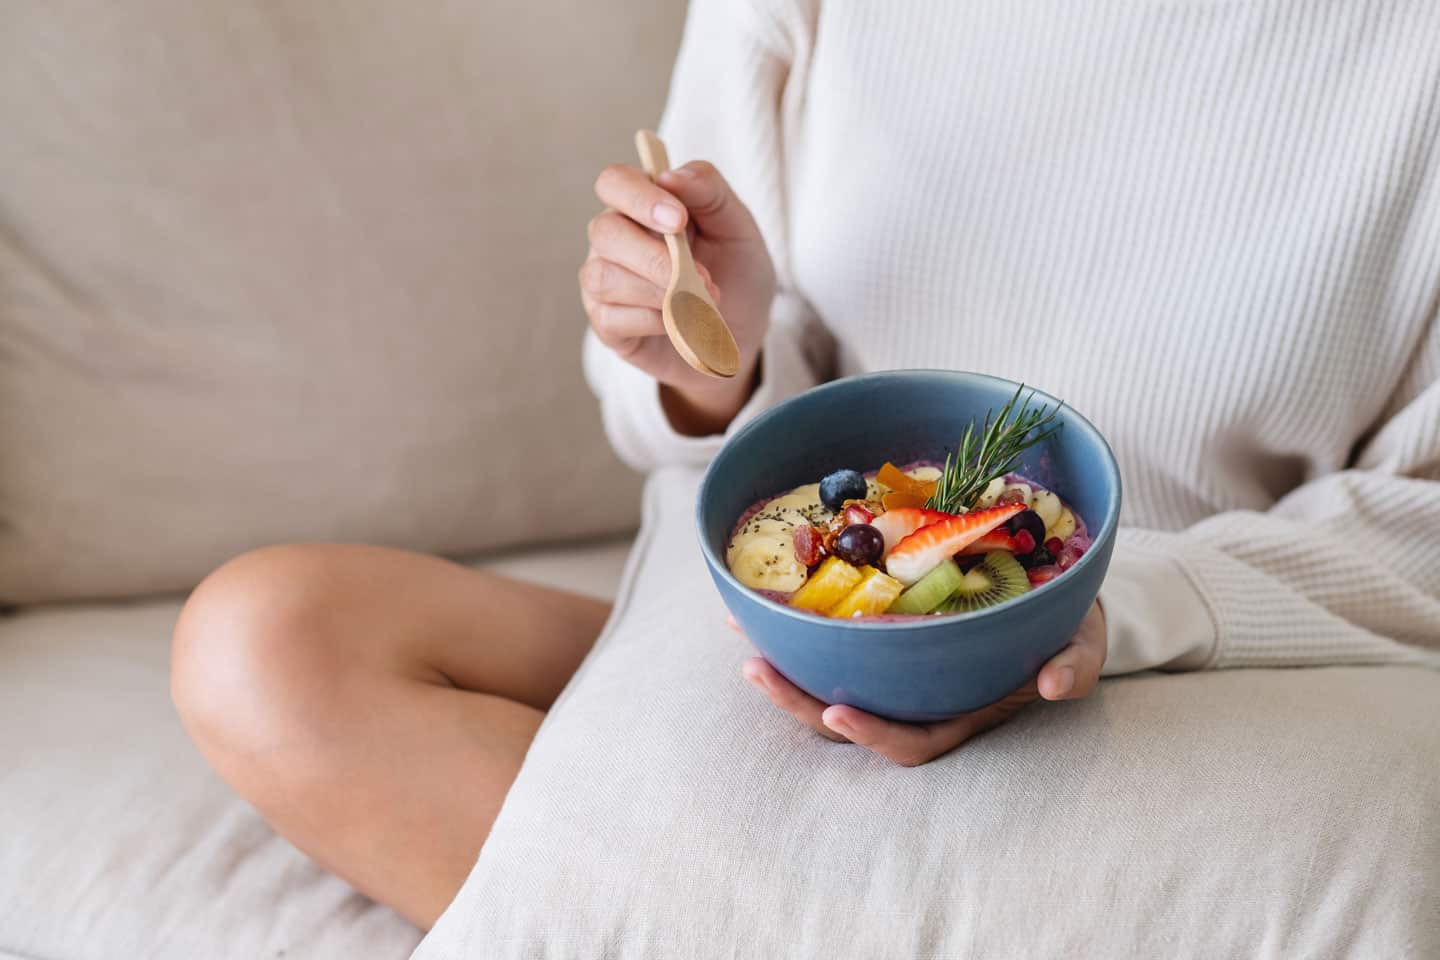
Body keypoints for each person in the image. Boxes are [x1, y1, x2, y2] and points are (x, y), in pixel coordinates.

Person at [171, 0, 1440, 931]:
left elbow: (1418, 527)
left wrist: (1122, 612)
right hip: (791, 617)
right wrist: (706, 350)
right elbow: (687, 405)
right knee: (268, 640)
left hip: (1170, 672)